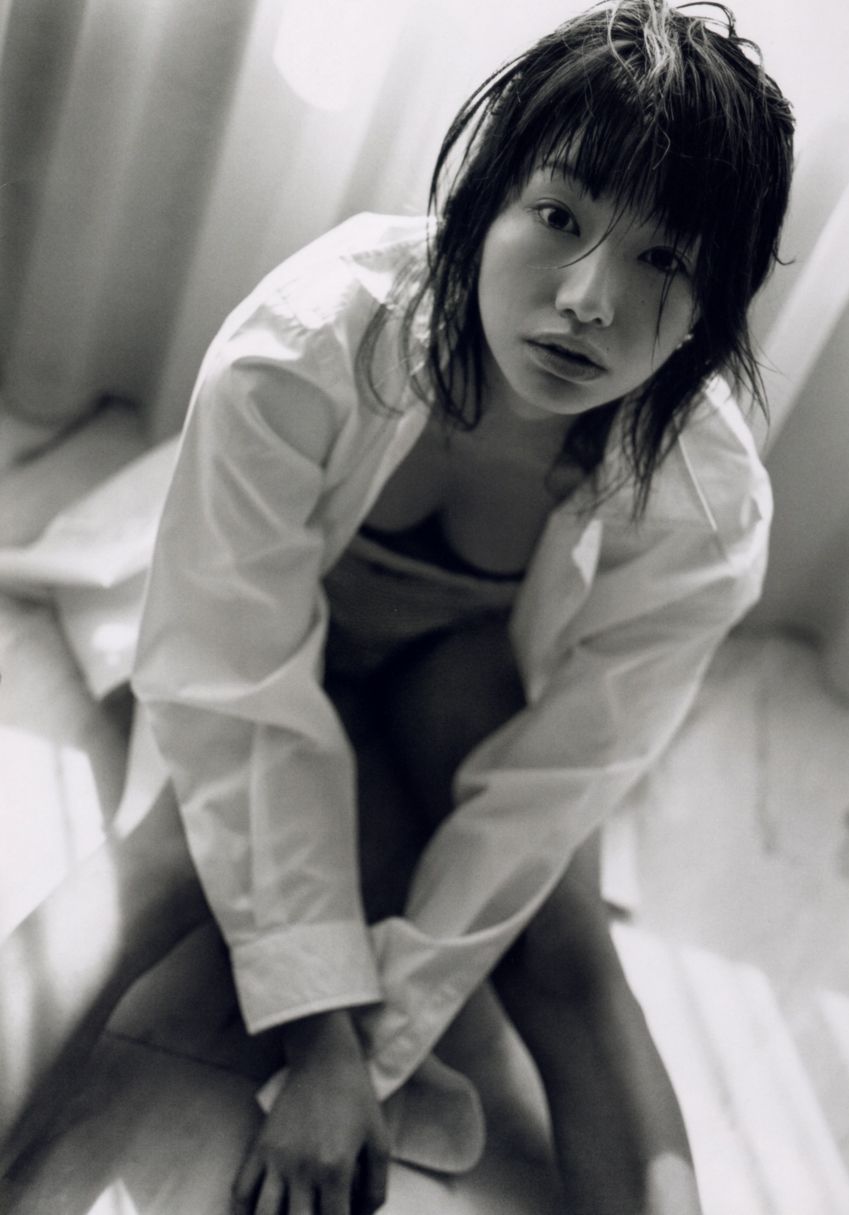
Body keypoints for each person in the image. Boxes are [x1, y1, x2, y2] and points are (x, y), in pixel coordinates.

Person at [0, 2, 794, 1212]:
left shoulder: (709, 503)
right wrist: (320, 1040)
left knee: (564, 940)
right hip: (265, 619)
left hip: (467, 661)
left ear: (713, 306)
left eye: (666, 261)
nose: (590, 297)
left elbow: (551, 789)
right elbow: (230, 677)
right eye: (559, 217)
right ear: (486, 199)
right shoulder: (308, 340)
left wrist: (375, 1054)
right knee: (160, 865)